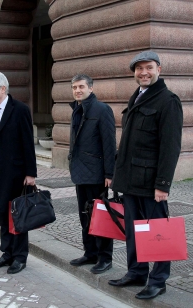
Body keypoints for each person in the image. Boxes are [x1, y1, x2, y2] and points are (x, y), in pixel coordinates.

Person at [108, 51, 183, 300]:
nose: (143, 72)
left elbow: (170, 147)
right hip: (130, 180)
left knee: (158, 232)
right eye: (139, 69)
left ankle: (158, 280)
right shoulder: (138, 96)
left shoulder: (168, 100)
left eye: (148, 68)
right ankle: (137, 271)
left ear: (159, 69)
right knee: (133, 229)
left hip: (151, 183)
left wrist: (162, 184)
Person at [0, 72, 37, 274]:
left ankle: (20, 257)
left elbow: (27, 142)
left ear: (2, 89)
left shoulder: (19, 109)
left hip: (14, 173)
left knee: (17, 214)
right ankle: (7, 252)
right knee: (2, 213)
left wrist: (30, 173)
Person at [68, 74, 116, 274]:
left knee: (101, 216)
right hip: (80, 172)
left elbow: (109, 143)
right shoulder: (76, 110)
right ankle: (90, 253)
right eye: (74, 87)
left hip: (97, 173)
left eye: (81, 87)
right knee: (85, 215)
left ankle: (105, 257)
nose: (77, 90)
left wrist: (109, 173)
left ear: (90, 88)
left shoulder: (102, 109)